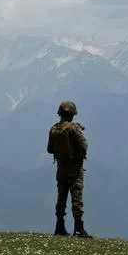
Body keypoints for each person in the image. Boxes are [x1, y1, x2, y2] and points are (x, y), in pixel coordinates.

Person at [47, 100, 90, 238]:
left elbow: (49, 149)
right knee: (76, 198)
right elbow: (84, 147)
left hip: (61, 169)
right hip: (75, 169)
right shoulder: (73, 129)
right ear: (72, 114)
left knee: (61, 197)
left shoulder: (54, 129)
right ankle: (78, 228)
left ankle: (59, 226)